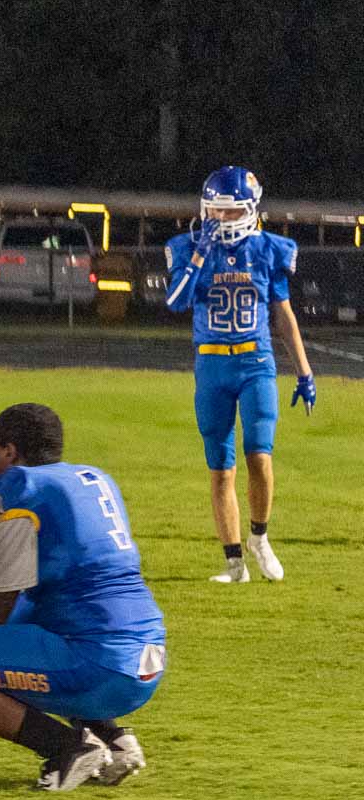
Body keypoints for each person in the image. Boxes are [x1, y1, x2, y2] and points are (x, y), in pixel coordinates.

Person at [0, 403, 166, 791]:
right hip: (148, 656)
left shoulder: (20, 488)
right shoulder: (94, 478)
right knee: (29, 617)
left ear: (9, 451)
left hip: (98, 664)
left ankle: (67, 748)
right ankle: (114, 739)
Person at [164, 167, 315, 583]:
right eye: (214, 210)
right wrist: (199, 256)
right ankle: (234, 565)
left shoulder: (267, 249)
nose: (220, 218)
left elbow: (283, 316)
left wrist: (304, 371)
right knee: (221, 469)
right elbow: (176, 302)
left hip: (255, 362)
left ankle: (259, 537)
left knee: (260, 457)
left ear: (250, 210)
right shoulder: (189, 247)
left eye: (229, 211)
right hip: (212, 365)